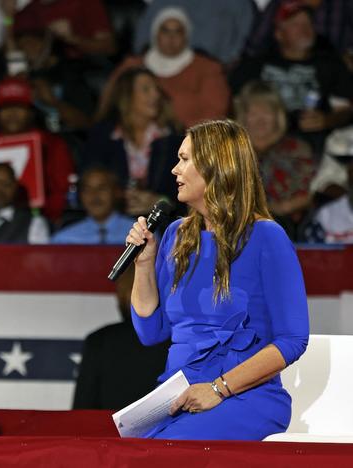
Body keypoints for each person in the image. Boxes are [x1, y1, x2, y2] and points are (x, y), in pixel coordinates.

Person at [126, 119, 309, 440]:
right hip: (179, 397)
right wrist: (143, 264)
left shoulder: (266, 236)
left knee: (166, 454)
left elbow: (293, 340)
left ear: (216, 166)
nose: (173, 169)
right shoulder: (176, 235)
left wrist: (219, 388)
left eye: (184, 159)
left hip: (243, 397)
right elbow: (150, 332)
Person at [229, 1, 353, 154]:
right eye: (295, 23)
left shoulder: (329, 64)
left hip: (314, 147)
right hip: (261, 142)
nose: (304, 28)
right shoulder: (254, 66)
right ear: (279, 34)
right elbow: (232, 106)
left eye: (308, 22)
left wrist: (327, 120)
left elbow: (345, 110)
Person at [96, 7, 230, 129]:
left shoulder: (207, 68)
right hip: (131, 142)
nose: (171, 37)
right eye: (165, 30)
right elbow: (109, 103)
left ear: (186, 36)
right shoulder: (133, 65)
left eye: (178, 31)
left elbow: (216, 114)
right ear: (155, 33)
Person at [83, 67, 181, 217]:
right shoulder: (103, 137)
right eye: (146, 89)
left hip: (160, 224)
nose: (155, 95)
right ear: (127, 96)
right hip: (113, 222)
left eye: (156, 89)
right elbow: (91, 181)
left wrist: (161, 202)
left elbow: (183, 193)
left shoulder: (174, 140)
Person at [73, 263, 169, 410]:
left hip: (108, 431)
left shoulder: (100, 340)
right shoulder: (180, 341)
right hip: (167, 432)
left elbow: (81, 410)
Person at [0, 76, 75, 225]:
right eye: (5, 107)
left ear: (31, 112)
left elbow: (62, 190)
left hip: (40, 220)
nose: (12, 113)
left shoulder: (52, 144)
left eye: (19, 107)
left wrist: (47, 219)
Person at [234, 81, 316, 239]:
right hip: (237, 226)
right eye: (253, 113)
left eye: (267, 112)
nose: (260, 119)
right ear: (243, 116)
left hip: (286, 226)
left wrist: (280, 209)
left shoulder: (296, 148)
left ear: (278, 116)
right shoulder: (231, 151)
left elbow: (308, 194)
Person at [51, 167, 134, 244]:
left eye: (102, 188)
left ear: (117, 192)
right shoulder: (63, 240)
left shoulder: (139, 233)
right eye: (87, 189)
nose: (94, 195)